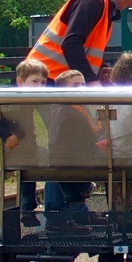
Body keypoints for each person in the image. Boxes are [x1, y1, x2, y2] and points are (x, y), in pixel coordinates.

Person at [0, 58, 48, 227]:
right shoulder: (14, 101)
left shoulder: (34, 100)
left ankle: (28, 209)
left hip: (30, 145)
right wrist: (8, 136)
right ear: (20, 82)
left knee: (29, 178)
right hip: (19, 147)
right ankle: (26, 210)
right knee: (26, 178)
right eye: (34, 81)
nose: (39, 86)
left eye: (43, 82)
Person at [44, 69, 101, 230]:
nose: (82, 88)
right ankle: (70, 216)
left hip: (70, 160)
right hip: (70, 161)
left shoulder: (70, 110)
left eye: (83, 84)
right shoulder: (69, 113)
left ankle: (79, 213)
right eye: (76, 85)